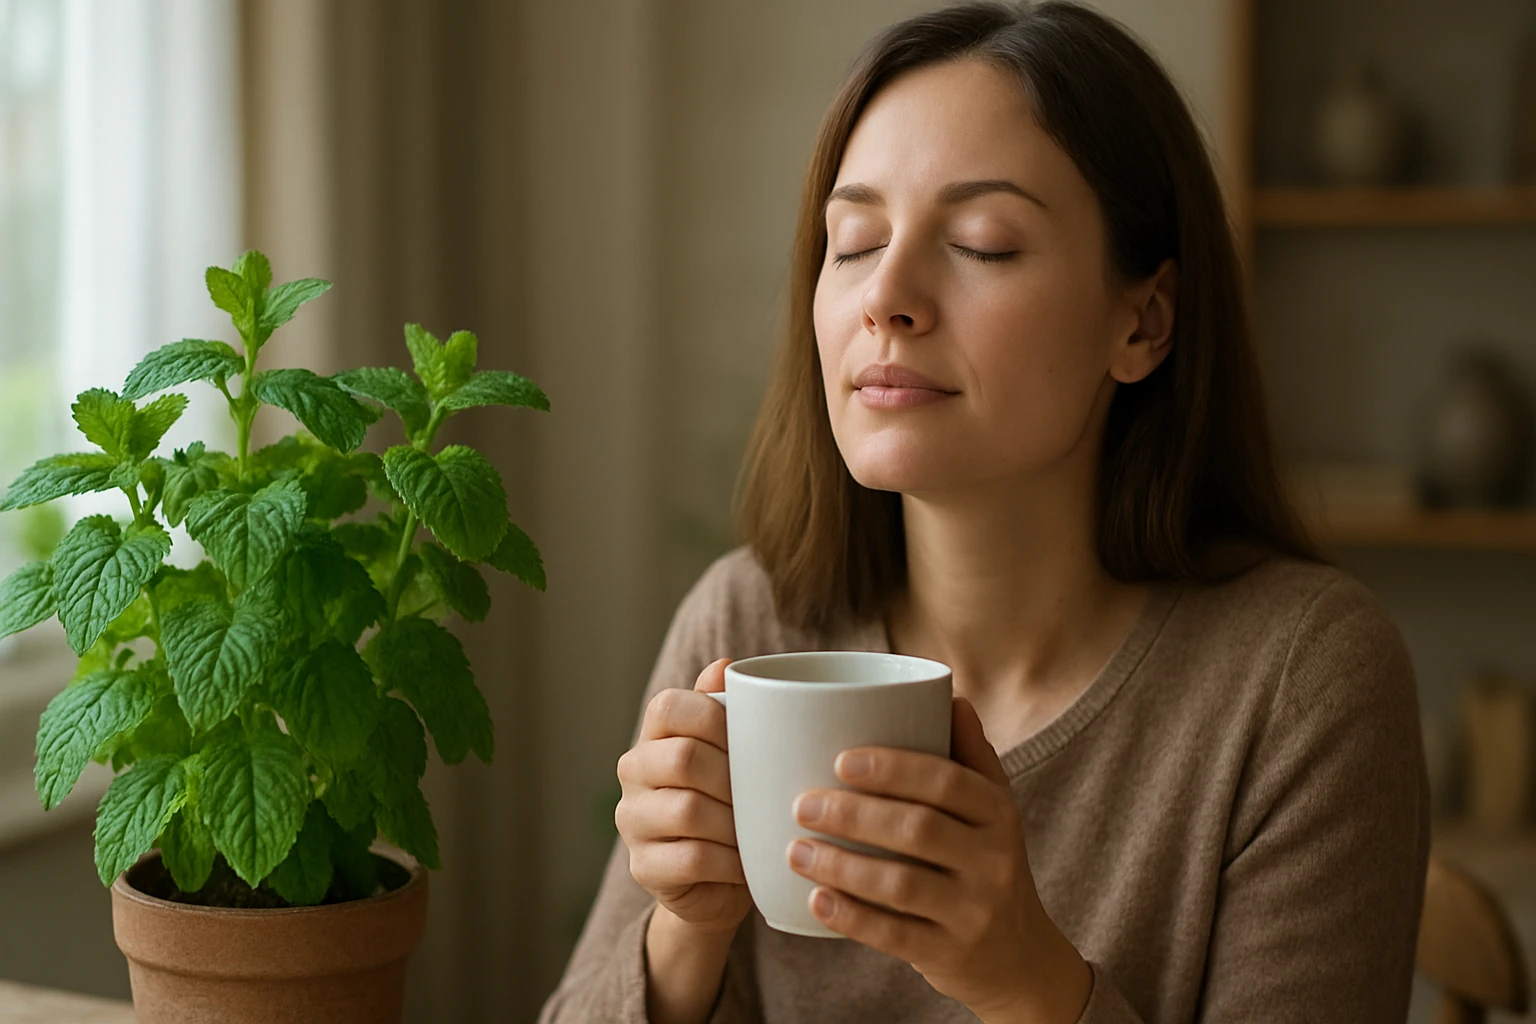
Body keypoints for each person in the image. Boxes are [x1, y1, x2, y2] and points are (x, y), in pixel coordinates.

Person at [538, 2, 1429, 1021]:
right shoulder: (749, 627)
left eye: (982, 244)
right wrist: (683, 931)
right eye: (855, 241)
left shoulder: (1300, 682)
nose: (887, 296)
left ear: (1144, 322)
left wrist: (1024, 978)